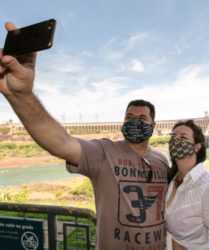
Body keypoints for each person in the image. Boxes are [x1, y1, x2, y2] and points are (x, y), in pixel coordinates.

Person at [0, 22, 169, 249]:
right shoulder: (102, 152)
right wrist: (22, 96)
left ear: (154, 125)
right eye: (129, 118)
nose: (134, 123)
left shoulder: (161, 161)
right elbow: (61, 143)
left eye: (142, 119)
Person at [166, 120, 209, 250]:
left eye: (183, 137)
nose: (176, 141)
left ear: (197, 146)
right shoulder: (171, 179)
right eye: (173, 137)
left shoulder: (208, 188)